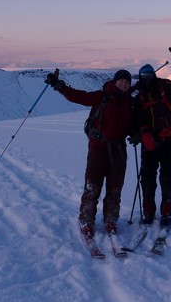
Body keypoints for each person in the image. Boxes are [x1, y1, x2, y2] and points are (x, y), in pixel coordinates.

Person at [45, 69, 133, 238]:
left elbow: (136, 122)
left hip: (118, 150)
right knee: (92, 186)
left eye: (126, 82)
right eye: (120, 80)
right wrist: (60, 86)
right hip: (98, 148)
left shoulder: (131, 102)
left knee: (115, 188)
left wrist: (138, 132)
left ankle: (111, 219)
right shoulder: (102, 96)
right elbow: (79, 96)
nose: (123, 84)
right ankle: (86, 220)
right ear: (115, 82)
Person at [130, 42, 171, 229]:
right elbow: (133, 121)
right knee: (148, 178)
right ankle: (150, 211)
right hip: (151, 143)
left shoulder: (166, 89)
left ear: (154, 76)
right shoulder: (138, 98)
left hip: (168, 142)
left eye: (149, 76)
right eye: (144, 77)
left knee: (166, 178)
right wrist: (138, 133)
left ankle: (165, 212)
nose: (147, 79)